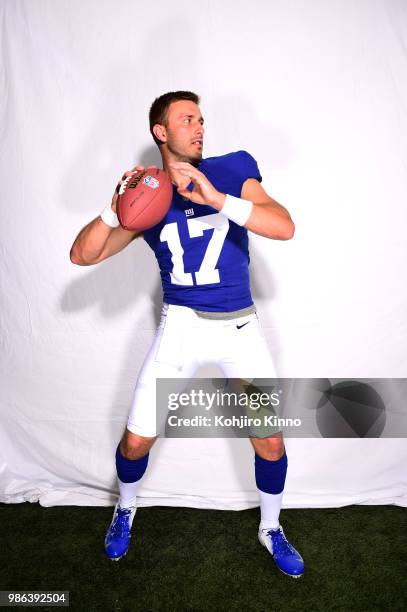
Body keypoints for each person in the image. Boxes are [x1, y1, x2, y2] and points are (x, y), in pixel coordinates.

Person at [70, 91, 304, 578]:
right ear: (161, 131)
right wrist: (116, 211)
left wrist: (219, 199)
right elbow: (82, 256)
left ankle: (271, 526)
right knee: (136, 443)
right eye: (187, 120)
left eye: (201, 119)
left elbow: (283, 227)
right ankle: (125, 508)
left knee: (271, 442)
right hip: (181, 328)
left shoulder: (231, 168)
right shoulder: (149, 194)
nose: (199, 128)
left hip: (240, 328)